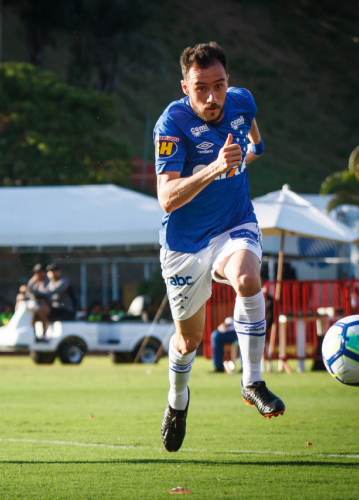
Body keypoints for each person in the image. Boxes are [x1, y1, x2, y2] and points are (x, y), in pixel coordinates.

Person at [154, 42, 284, 453]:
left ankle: (252, 381)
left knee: (248, 278)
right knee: (188, 341)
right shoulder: (170, 123)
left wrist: (252, 152)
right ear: (185, 86)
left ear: (229, 82)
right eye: (201, 89)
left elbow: (253, 137)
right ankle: (178, 401)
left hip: (234, 223)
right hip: (185, 243)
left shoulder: (242, 101)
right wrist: (215, 167)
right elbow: (167, 198)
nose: (212, 98)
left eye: (220, 86)